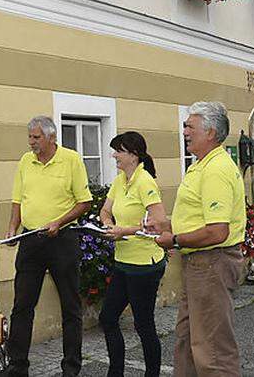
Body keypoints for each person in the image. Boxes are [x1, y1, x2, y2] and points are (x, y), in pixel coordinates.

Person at [154, 101, 247, 377]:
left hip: (211, 263)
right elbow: (200, 219)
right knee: (187, 341)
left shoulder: (216, 169)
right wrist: (165, 226)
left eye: (189, 126)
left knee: (213, 350)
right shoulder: (201, 165)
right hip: (199, 264)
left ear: (210, 132)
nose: (184, 131)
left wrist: (175, 240)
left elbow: (218, 231)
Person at [1, 116, 93, 377]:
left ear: (52, 138)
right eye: (29, 137)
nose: (31, 142)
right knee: (22, 306)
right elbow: (18, 199)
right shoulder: (25, 161)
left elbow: (84, 202)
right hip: (31, 241)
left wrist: (59, 221)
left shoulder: (71, 159)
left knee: (70, 307)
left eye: (36, 138)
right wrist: (12, 228)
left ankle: (71, 368)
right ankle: (17, 367)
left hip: (61, 239)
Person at [98, 131, 167, 377]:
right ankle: (115, 372)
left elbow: (158, 222)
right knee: (108, 318)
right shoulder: (120, 181)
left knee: (144, 325)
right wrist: (107, 224)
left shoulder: (145, 181)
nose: (114, 155)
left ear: (134, 155)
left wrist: (124, 230)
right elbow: (105, 211)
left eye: (119, 150)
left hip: (144, 265)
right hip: (123, 262)